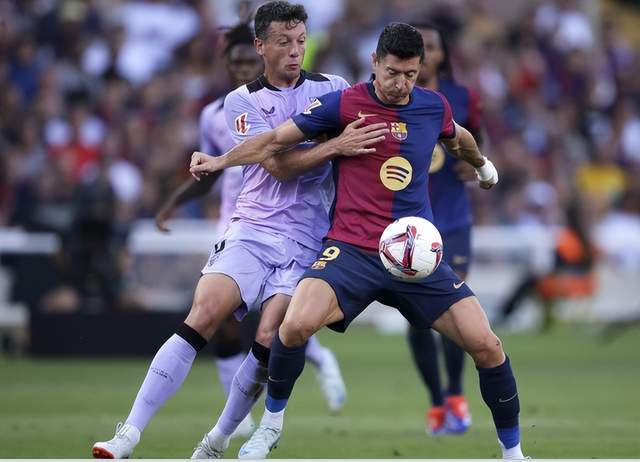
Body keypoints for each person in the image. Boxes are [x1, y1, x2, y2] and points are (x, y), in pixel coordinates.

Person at [190, 23, 526, 460]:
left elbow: (458, 137)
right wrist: (220, 161)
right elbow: (274, 141)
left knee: (488, 346)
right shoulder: (344, 103)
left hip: (413, 255)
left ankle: (514, 454)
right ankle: (270, 426)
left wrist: (482, 167)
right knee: (293, 326)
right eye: (392, 73)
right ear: (374, 63)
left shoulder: (432, 106)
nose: (400, 84)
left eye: (410, 75)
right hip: (350, 250)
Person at [91, 2, 384, 458]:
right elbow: (277, 164)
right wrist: (335, 146)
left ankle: (218, 438)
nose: (295, 51)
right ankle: (128, 434)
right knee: (204, 312)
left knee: (270, 337)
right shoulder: (240, 101)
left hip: (309, 240)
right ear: (261, 45)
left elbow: (361, 144)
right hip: (254, 228)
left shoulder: (334, 88)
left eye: (301, 41)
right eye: (284, 42)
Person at [153, 22, 348, 439]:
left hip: (299, 227)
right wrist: (174, 201)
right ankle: (238, 421)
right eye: (236, 61)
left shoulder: (324, 90)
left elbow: (275, 155)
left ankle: (318, 363)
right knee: (219, 318)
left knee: (274, 327)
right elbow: (209, 172)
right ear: (228, 63)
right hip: (240, 221)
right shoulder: (217, 113)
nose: (242, 67)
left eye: (300, 43)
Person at [406, 20, 482, 436]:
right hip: (408, 225)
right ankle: (436, 401)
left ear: (442, 54)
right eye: (419, 47)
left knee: (455, 307)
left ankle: (455, 394)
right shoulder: (392, 100)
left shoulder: (462, 97)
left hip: (452, 218)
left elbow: (477, 144)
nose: (425, 54)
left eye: (431, 46)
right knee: (418, 318)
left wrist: (473, 166)